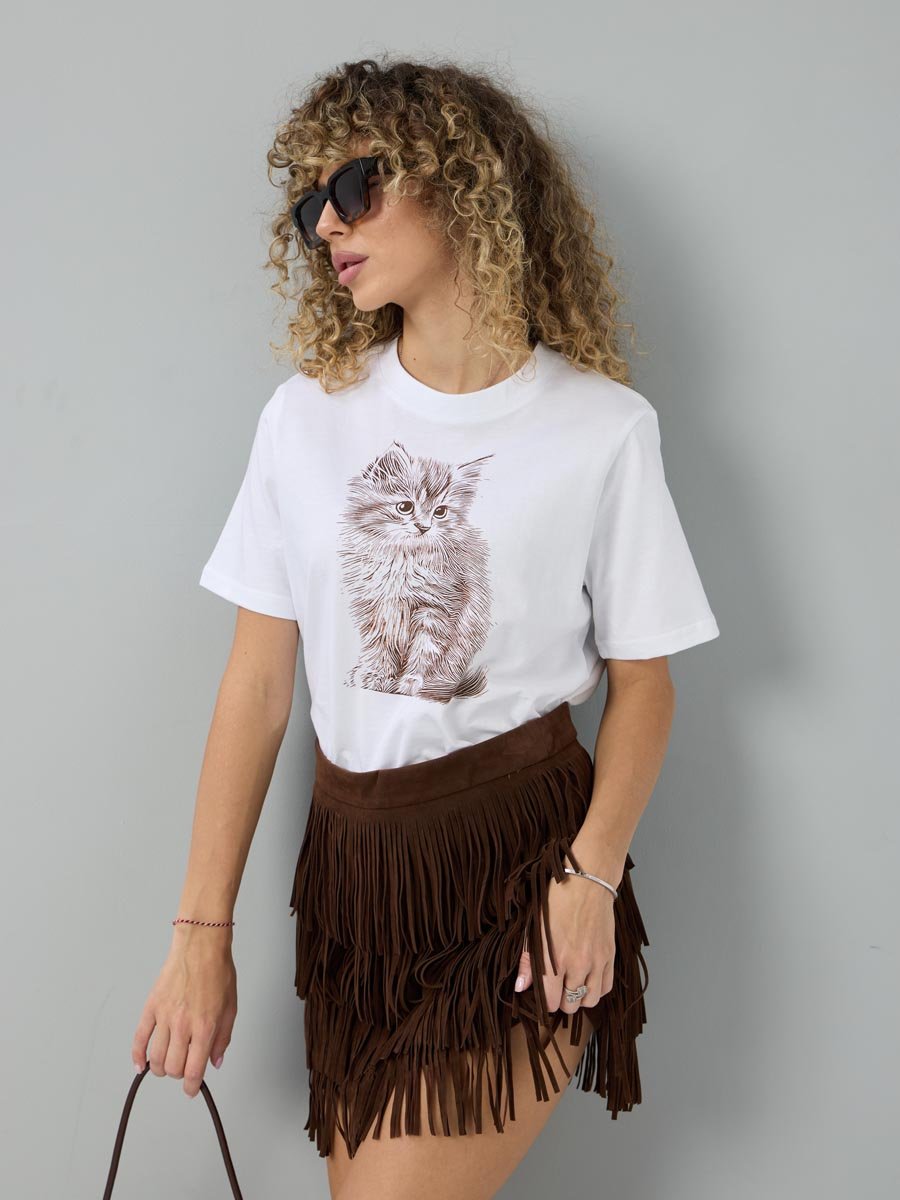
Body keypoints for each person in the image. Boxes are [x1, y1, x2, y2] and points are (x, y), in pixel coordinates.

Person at [132, 56, 720, 1200]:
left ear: (459, 179)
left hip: (522, 872)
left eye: (355, 186)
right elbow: (258, 688)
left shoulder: (601, 429)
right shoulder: (305, 421)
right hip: (354, 885)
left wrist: (592, 878)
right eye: (311, 205)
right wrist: (200, 934)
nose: (328, 224)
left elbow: (644, 683)